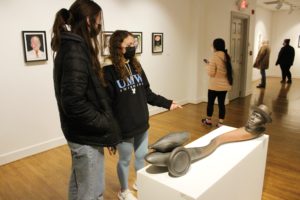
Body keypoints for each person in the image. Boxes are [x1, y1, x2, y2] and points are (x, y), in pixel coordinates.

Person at [51, 1, 121, 200]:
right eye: (99, 21)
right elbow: (73, 103)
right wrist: (105, 123)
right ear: (89, 21)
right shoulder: (75, 51)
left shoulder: (72, 46)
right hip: (86, 136)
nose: (100, 27)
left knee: (79, 184)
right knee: (92, 192)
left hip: (79, 133)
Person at [103, 30, 182, 200]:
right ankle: (123, 191)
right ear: (119, 47)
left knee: (141, 157)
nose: (133, 47)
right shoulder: (108, 71)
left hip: (141, 123)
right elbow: (107, 106)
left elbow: (147, 93)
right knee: (124, 160)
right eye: (129, 44)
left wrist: (168, 103)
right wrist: (110, 134)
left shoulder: (136, 66)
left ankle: (140, 181)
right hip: (123, 129)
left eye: (134, 44)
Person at [202, 38, 233, 127]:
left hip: (214, 86)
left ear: (215, 46)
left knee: (210, 103)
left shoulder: (214, 56)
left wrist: (207, 65)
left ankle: (208, 121)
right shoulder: (227, 56)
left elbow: (211, 73)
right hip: (224, 86)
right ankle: (220, 123)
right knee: (221, 104)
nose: (212, 47)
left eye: (212, 45)